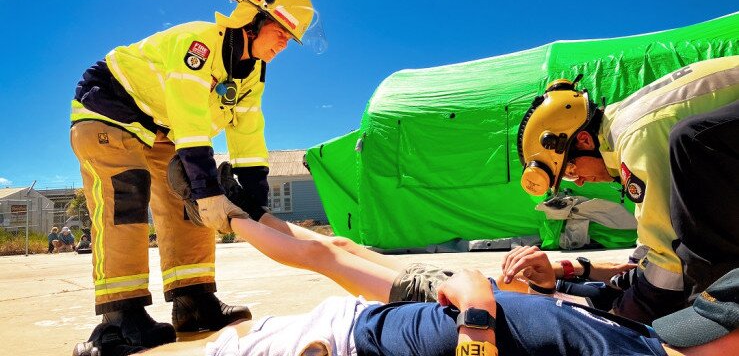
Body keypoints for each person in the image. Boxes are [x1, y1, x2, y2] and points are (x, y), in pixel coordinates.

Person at [69, 0, 320, 349]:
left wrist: (255, 205)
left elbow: (248, 134)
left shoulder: (253, 72)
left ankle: (194, 300)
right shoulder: (200, 43)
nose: (285, 44)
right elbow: (189, 117)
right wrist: (207, 188)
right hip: (109, 108)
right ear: (251, 20)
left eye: (291, 38)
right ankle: (119, 318)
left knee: (189, 204)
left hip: (164, 128)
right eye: (281, 32)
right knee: (126, 198)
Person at [76, 247, 739, 356]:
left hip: (340, 339)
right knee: (331, 254)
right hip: (351, 326)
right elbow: (471, 286)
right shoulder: (638, 332)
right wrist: (477, 324)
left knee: (329, 254)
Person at [517, 56, 739, 323]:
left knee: (697, 280)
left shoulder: (634, 137)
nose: (578, 183)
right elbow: (655, 241)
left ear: (585, 140)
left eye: (571, 170)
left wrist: (615, 320)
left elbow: (669, 267)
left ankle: (723, 313)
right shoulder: (622, 126)